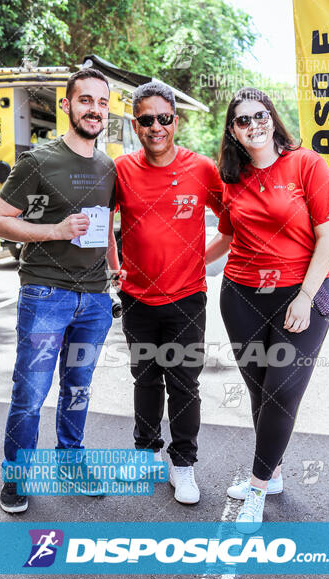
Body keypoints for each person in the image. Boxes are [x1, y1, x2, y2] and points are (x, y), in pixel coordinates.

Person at [205, 87, 329, 531]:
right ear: (234, 131)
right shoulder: (233, 177)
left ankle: (258, 487)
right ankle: (274, 474)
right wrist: (185, 262)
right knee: (261, 392)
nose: (254, 125)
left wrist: (304, 296)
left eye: (260, 116)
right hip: (241, 296)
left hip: (301, 295)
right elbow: (226, 237)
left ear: (272, 117)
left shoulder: (307, 164)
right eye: (243, 121)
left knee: (282, 392)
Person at [0, 68, 119, 513]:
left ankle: (71, 462)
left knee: (78, 388)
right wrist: (56, 229)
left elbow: (107, 229)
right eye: (86, 101)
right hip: (46, 295)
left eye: (102, 103)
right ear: (67, 105)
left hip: (96, 300)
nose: (94, 110)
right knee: (30, 393)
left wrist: (115, 273)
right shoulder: (38, 161)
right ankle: (18, 477)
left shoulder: (108, 167)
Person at [115, 82, 223, 504]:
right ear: (135, 124)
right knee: (144, 378)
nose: (156, 127)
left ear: (175, 121)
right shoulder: (121, 170)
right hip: (137, 298)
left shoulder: (201, 169)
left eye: (163, 118)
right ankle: (145, 453)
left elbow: (231, 225)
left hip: (186, 299)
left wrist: (196, 259)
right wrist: (113, 267)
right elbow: (102, 220)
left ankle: (184, 465)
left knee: (183, 383)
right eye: (146, 119)